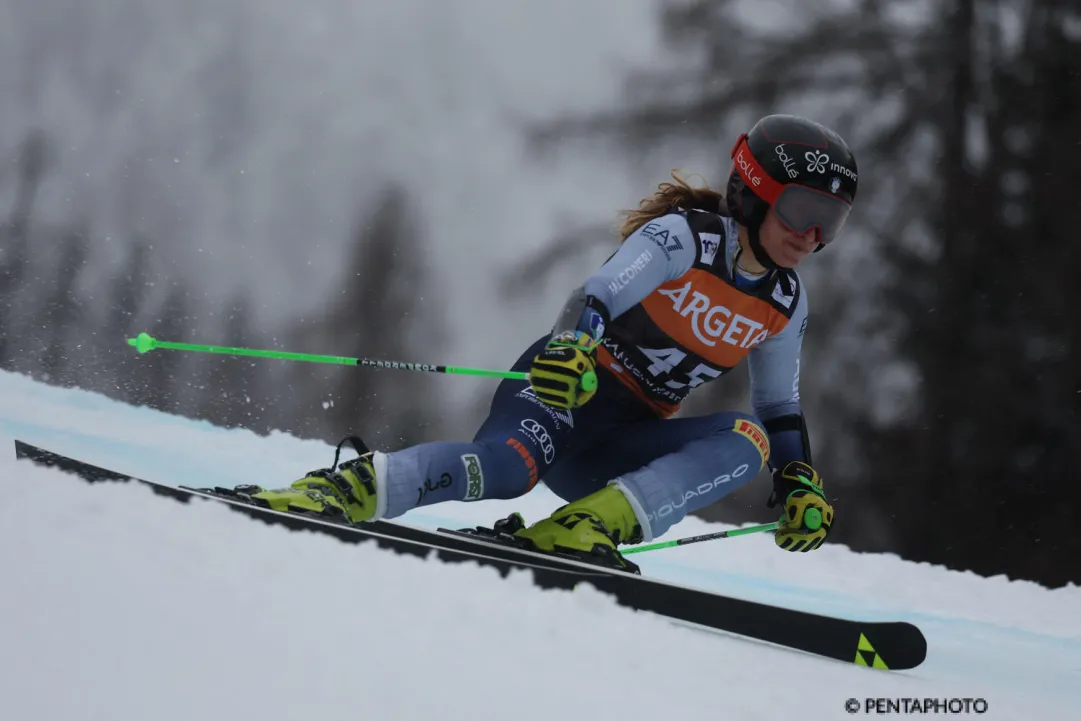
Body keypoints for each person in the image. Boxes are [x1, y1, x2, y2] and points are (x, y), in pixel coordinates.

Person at [242, 114, 857, 571]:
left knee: (746, 441)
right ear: (753, 189)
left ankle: (583, 525)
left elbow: (778, 407)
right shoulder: (684, 240)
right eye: (803, 209)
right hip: (567, 388)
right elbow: (596, 295)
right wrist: (571, 348)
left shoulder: (785, 303)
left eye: (831, 220)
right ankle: (346, 488)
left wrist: (799, 477)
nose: (812, 234)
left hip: (619, 444)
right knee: (507, 470)